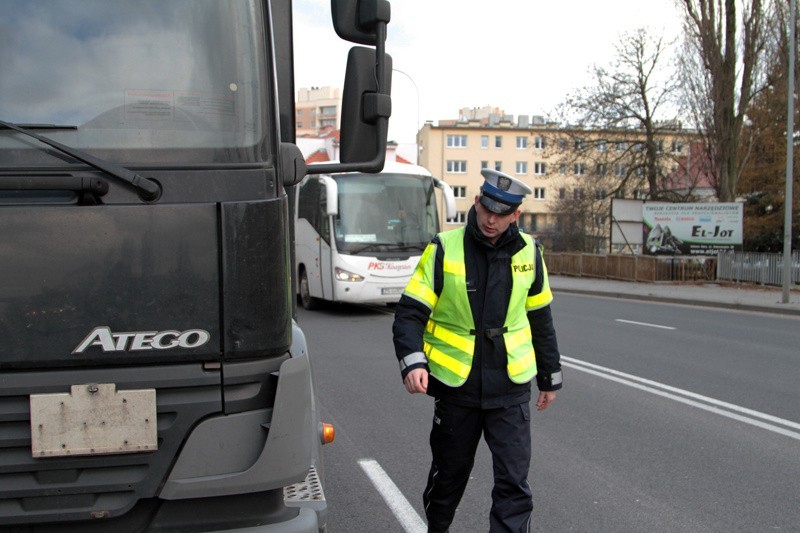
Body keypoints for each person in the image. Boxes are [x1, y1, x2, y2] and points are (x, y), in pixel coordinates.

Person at [392, 168, 563, 533]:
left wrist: (550, 376)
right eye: (487, 208)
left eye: (501, 213)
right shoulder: (444, 247)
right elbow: (409, 313)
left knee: (513, 484)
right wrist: (412, 362)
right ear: (476, 202)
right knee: (448, 479)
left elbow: (540, 318)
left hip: (510, 387)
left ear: (515, 215)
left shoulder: (530, 252)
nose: (490, 218)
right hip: (458, 388)